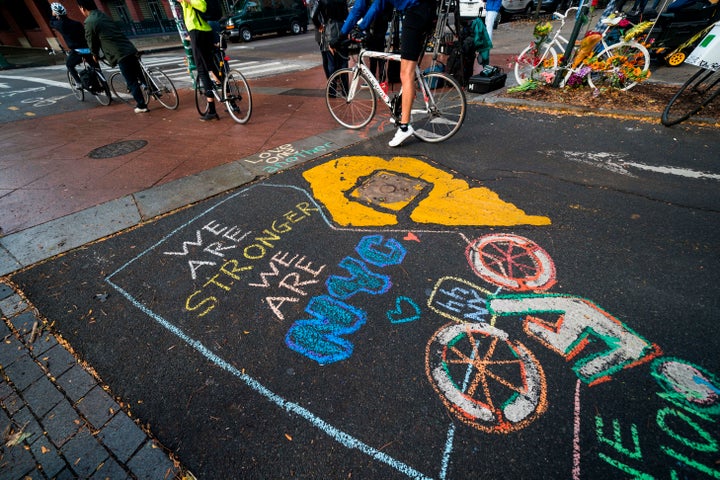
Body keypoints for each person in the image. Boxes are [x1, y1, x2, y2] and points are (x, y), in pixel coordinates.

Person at [339, 0, 437, 147]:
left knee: (406, 74)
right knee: (408, 68)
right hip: (425, 11)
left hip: (415, 15)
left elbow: (368, 6)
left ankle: (404, 127)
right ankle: (404, 111)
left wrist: (354, 29)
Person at [76, 0, 149, 113]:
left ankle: (141, 105)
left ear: (82, 8)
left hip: (119, 53)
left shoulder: (90, 21)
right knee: (140, 74)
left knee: (131, 81)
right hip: (129, 48)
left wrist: (94, 55)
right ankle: (154, 90)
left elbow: (91, 41)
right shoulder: (104, 15)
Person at [177, 0, 222, 121]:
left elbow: (202, 5)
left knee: (202, 70)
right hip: (200, 31)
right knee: (210, 65)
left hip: (198, 32)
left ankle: (212, 110)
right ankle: (229, 97)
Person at [49, 2, 99, 89]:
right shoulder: (77, 23)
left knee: (69, 65)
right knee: (94, 65)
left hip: (76, 51)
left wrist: (53, 15)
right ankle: (100, 80)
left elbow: (52, 23)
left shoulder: (60, 25)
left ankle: (78, 83)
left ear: (56, 13)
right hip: (87, 48)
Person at [312, 0, 350, 94]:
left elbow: (313, 16)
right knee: (343, 61)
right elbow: (346, 15)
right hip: (342, 29)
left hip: (329, 30)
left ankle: (332, 90)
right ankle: (345, 89)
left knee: (331, 62)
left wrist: (320, 26)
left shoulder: (321, 1)